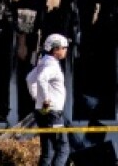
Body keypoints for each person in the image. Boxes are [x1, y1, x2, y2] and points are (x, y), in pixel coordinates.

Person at [27, 33, 70, 166]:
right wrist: (45, 98)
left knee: (48, 151)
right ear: (56, 49)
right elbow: (41, 79)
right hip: (53, 113)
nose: (66, 50)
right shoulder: (52, 65)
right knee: (63, 149)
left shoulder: (43, 62)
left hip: (42, 112)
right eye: (64, 47)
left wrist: (36, 97)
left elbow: (29, 79)